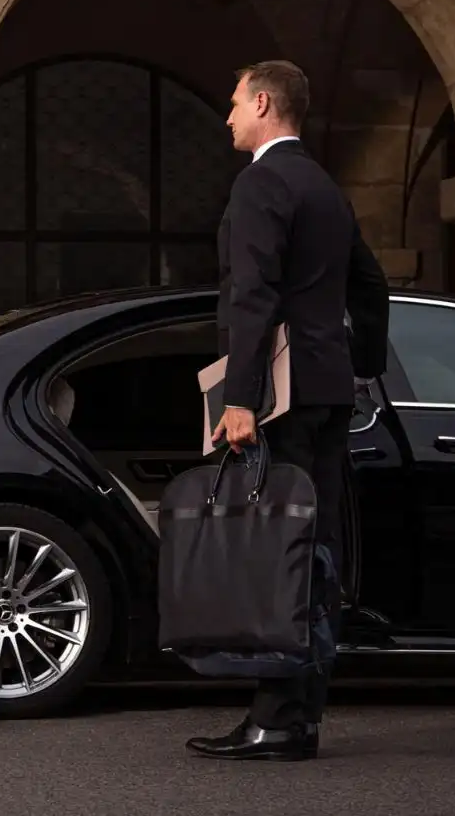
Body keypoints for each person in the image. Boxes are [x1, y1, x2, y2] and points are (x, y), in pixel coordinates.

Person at [186, 61, 389, 761]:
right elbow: (371, 284)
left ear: (265, 103)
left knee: (275, 555)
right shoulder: (325, 188)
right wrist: (361, 367)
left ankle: (273, 721)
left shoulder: (262, 184)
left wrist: (240, 397)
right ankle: (298, 717)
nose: (228, 117)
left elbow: (252, 295)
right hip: (329, 390)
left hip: (278, 399)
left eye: (235, 102)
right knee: (316, 553)